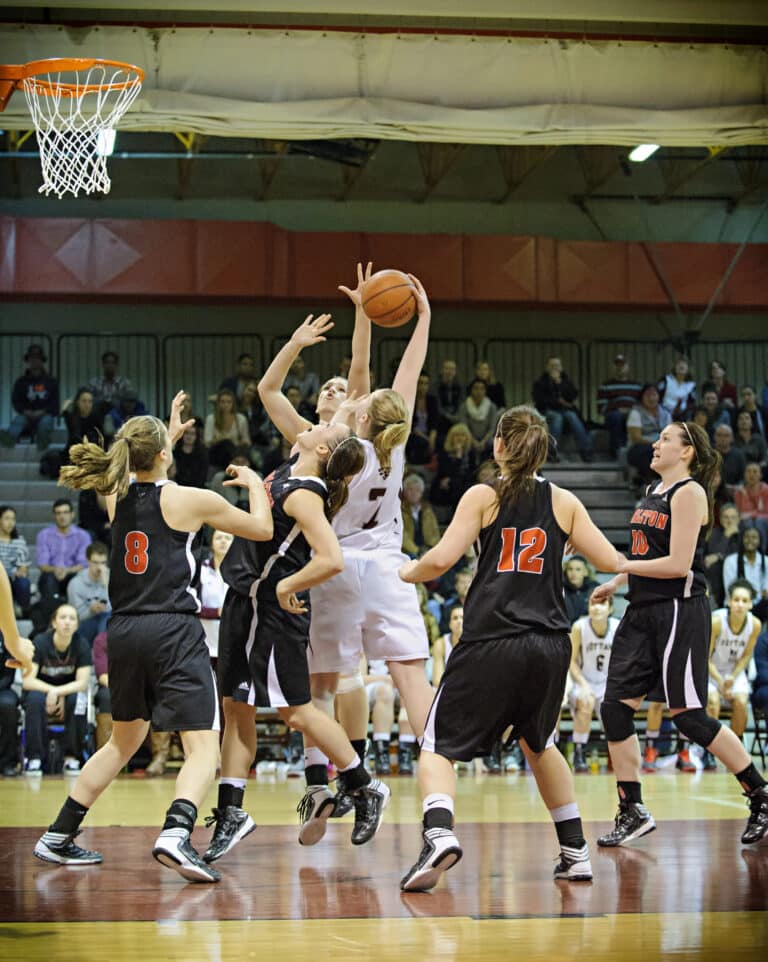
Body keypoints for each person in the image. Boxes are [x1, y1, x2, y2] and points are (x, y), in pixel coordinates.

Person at [32, 392, 274, 883]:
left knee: (124, 742)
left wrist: (163, 432)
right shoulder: (190, 498)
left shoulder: (114, 493)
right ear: (165, 452)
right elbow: (263, 529)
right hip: (172, 628)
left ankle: (59, 833)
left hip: (122, 629)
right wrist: (253, 482)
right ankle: (176, 831)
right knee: (204, 745)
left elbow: (136, 466)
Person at [397, 405, 620, 891]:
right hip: (550, 644)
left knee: (436, 745)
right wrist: (616, 580)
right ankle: (575, 851)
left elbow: (439, 560)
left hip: (493, 638)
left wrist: (405, 571)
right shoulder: (564, 501)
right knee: (540, 744)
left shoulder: (484, 494)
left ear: (498, 444)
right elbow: (609, 560)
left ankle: (437, 834)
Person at [204, 419, 390, 861]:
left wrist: (287, 588)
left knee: (297, 713)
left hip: (271, 611)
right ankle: (231, 813)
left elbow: (331, 558)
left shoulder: (306, 492)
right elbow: (270, 393)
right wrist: (292, 345)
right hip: (243, 602)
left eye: (327, 425)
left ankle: (364, 785)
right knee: (235, 707)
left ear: (325, 450)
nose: (318, 421)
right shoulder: (292, 465)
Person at [593, 420, 768, 849]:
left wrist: (624, 569)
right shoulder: (651, 494)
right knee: (614, 708)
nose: (656, 444)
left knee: (689, 715)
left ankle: (760, 795)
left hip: (678, 609)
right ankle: (631, 809)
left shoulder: (689, 493)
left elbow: (677, 564)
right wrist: (619, 582)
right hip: (641, 610)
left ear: (687, 451)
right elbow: (642, 553)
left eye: (666, 439)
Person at [23, 603, 92, 775]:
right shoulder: (40, 642)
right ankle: (34, 758)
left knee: (79, 700)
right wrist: (51, 691)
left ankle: (72, 757)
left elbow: (82, 683)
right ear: (54, 623)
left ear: (76, 625)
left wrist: (58, 692)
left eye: (72, 618)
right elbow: (27, 680)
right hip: (40, 692)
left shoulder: (81, 645)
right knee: (33, 699)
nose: (67, 622)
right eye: (62, 618)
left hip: (67, 694)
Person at [704, 579, 762, 770]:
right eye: (736, 600)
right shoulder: (717, 622)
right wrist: (720, 681)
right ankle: (709, 751)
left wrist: (732, 677)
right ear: (729, 601)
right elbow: (705, 657)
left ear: (751, 604)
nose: (740, 604)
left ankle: (735, 749)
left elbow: (746, 656)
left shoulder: (755, 625)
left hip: (733, 673)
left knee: (741, 702)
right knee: (713, 701)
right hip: (711, 671)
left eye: (744, 601)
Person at [568, 595, 618, 773]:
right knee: (586, 702)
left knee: (613, 709)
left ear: (610, 609)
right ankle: (579, 754)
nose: (596, 608)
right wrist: (583, 684)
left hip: (607, 682)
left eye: (602, 604)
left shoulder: (617, 627)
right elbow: (571, 661)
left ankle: (615, 755)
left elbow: (622, 661)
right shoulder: (579, 627)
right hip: (583, 681)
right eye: (592, 603)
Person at [34, 499, 91, 628]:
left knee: (79, 579)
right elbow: (42, 564)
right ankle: (51, 625)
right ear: (54, 516)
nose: (62, 516)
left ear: (72, 514)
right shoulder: (44, 535)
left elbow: (83, 563)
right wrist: (56, 570)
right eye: (58, 513)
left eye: (65, 512)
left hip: (73, 574)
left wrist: (66, 571)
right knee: (48, 580)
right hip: (50, 574)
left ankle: (75, 623)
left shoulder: (83, 536)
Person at [532, 356, 592, 463]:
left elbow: (573, 395)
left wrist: (559, 384)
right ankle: (551, 452)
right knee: (557, 417)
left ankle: (586, 451)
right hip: (547, 411)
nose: (555, 368)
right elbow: (539, 399)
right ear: (547, 367)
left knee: (572, 416)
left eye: (557, 365)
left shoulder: (566, 381)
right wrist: (557, 400)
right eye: (552, 365)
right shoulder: (540, 382)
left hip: (565, 411)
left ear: (561, 368)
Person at [0, 343, 59, 452]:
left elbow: (55, 403)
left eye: (37, 358)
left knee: (46, 423)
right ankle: (9, 439)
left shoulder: (51, 382)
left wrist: (42, 412)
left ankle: (43, 441)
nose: (35, 361)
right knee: (18, 422)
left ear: (42, 361)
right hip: (26, 414)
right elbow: (16, 401)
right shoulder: (21, 382)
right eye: (32, 358)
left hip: (45, 414)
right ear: (28, 361)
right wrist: (26, 411)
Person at [625, 385, 672, 487]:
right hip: (638, 448)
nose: (651, 398)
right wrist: (655, 443)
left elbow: (671, 435)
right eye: (647, 395)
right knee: (650, 453)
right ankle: (647, 482)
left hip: (661, 447)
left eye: (654, 395)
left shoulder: (665, 413)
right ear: (642, 397)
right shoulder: (635, 412)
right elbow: (636, 438)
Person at [596, 354, 642, 459]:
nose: (620, 367)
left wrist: (631, 411)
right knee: (616, 416)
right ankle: (616, 452)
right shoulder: (605, 386)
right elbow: (601, 408)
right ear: (613, 367)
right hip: (614, 415)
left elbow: (642, 405)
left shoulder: (637, 386)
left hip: (633, 414)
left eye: (623, 365)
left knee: (635, 417)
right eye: (617, 365)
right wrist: (618, 409)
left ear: (628, 367)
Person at [66, 541, 111, 647]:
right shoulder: (76, 583)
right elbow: (75, 616)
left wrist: (105, 585)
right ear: (88, 561)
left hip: (107, 622)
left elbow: (117, 609)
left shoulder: (112, 579)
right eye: (95, 562)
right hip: (86, 623)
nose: (99, 567)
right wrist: (91, 610)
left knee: (106, 617)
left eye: (103, 563)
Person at [198, 529, 233, 661]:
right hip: (206, 642)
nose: (223, 541)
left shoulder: (240, 571)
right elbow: (192, 606)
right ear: (212, 542)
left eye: (228, 538)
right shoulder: (201, 570)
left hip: (232, 644)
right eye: (219, 538)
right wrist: (217, 612)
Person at [430, 422, 478, 517]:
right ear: (451, 438)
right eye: (456, 435)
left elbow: (472, 473)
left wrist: (453, 478)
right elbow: (444, 472)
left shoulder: (471, 454)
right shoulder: (443, 453)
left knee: (458, 484)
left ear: (467, 438)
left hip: (461, 485)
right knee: (455, 485)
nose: (459, 438)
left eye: (463, 435)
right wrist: (458, 457)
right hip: (445, 487)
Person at [722, 527, 768, 622]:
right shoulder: (731, 561)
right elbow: (730, 591)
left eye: (754, 537)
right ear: (741, 540)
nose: (750, 540)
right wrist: (758, 593)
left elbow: (766, 592)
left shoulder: (766, 561)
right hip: (736, 605)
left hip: (760, 607)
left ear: (760, 540)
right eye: (746, 537)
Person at [703, 501, 742, 607]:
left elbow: (741, 555)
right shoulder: (713, 533)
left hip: (740, 571)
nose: (730, 521)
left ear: (739, 518)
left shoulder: (744, 533)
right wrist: (726, 536)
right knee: (714, 566)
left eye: (733, 517)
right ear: (720, 519)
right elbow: (711, 556)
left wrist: (719, 556)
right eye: (726, 517)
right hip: (716, 574)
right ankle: (718, 602)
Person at [204, 388, 251, 470]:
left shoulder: (241, 419)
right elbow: (207, 442)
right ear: (218, 403)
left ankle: (236, 463)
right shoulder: (211, 419)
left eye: (229, 402)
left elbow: (246, 441)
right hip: (217, 453)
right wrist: (223, 440)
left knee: (236, 449)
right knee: (226, 443)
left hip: (236, 451)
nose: (225, 405)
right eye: (222, 402)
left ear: (233, 404)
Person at [62, 388, 106, 464]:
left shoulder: (96, 418)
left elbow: (101, 439)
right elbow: (64, 411)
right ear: (77, 402)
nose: (87, 405)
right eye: (84, 401)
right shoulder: (72, 418)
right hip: (74, 453)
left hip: (93, 454)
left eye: (90, 402)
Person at [0, 505, 31, 616]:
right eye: (7, 518)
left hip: (14, 579)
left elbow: (23, 568)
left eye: (13, 519)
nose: (11, 522)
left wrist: (20, 571)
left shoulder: (20, 541)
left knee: (24, 583)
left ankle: (22, 611)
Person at [401, 473, 440, 559]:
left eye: (417, 490)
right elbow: (402, 536)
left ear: (421, 493)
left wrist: (431, 549)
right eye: (410, 489)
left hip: (427, 549)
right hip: (409, 552)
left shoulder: (428, 510)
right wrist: (417, 551)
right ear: (404, 492)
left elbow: (435, 533)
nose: (414, 493)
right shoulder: (399, 511)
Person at [457, 379, 498, 459]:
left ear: (485, 391)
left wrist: (483, 442)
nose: (479, 391)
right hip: (469, 437)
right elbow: (464, 427)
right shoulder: (464, 406)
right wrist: (474, 442)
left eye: (482, 388)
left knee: (493, 443)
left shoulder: (492, 407)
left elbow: (492, 428)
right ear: (471, 390)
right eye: (476, 388)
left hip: (486, 439)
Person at [405, 372, 439, 468]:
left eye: (425, 383)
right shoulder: (410, 399)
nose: (423, 386)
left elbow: (434, 421)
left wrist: (432, 437)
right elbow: (409, 423)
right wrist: (427, 439)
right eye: (420, 383)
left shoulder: (432, 400)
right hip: (413, 433)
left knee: (440, 441)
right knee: (420, 442)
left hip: (428, 432)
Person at [734, 462, 768, 551]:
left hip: (764, 523)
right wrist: (745, 496)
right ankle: (745, 553)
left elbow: (765, 513)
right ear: (744, 474)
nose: (751, 475)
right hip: (746, 523)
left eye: (755, 472)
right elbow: (741, 514)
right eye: (748, 471)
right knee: (747, 522)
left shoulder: (766, 490)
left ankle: (761, 553)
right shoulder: (739, 493)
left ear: (760, 475)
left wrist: (750, 514)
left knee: (759, 521)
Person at [171, 420, 209, 488]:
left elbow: (203, 477)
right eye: (187, 433)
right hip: (179, 488)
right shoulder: (175, 454)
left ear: (196, 436)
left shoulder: (202, 455)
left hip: (198, 489)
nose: (189, 436)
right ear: (182, 435)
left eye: (192, 434)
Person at [658, 356, 696, 421]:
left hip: (683, 415)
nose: (681, 365)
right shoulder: (666, 380)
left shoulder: (691, 385)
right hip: (664, 413)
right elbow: (658, 396)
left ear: (688, 368)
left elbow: (691, 404)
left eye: (684, 364)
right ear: (674, 367)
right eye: (678, 364)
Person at [435, 358, 464, 442]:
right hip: (441, 418)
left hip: (456, 417)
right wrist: (448, 416)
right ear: (442, 370)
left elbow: (462, 403)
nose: (449, 371)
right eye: (447, 368)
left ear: (455, 372)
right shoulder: (435, 386)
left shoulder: (460, 386)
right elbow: (437, 405)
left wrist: (456, 415)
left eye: (452, 369)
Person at [563, 555, 598, 624]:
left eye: (578, 569)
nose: (573, 573)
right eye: (570, 569)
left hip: (588, 628)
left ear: (586, 572)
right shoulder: (560, 589)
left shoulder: (595, 589)